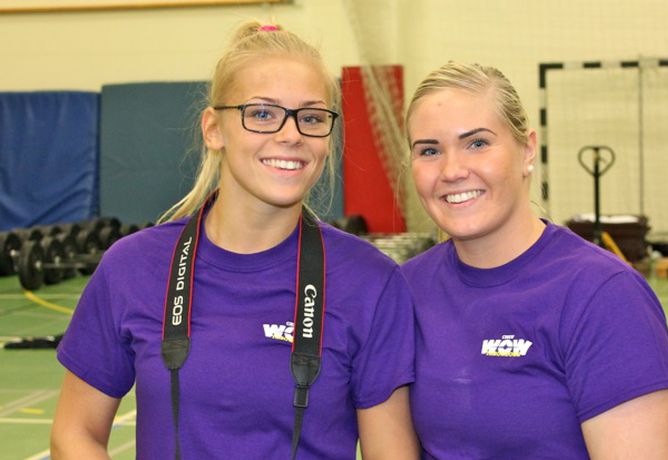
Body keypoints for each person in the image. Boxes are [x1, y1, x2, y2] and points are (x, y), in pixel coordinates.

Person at [51, 22, 418, 460]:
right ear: (213, 129)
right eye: (262, 113)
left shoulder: (371, 281)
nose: (291, 134)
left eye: (311, 117)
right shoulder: (133, 267)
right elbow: (75, 433)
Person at [402, 61, 668, 459]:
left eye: (477, 143)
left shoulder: (604, 295)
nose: (452, 170)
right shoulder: (405, 290)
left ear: (527, 150)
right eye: (429, 150)